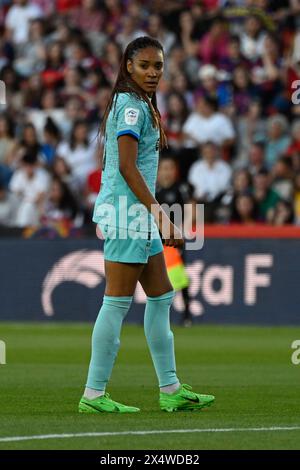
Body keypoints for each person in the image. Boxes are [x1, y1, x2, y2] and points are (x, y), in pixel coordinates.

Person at [79, 36, 215, 414]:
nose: (153, 72)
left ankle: (170, 387)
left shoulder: (137, 103)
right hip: (129, 216)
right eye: (145, 65)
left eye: (158, 65)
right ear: (128, 67)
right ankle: (93, 394)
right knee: (116, 302)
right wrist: (161, 216)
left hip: (135, 215)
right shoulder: (132, 107)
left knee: (162, 296)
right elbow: (126, 165)